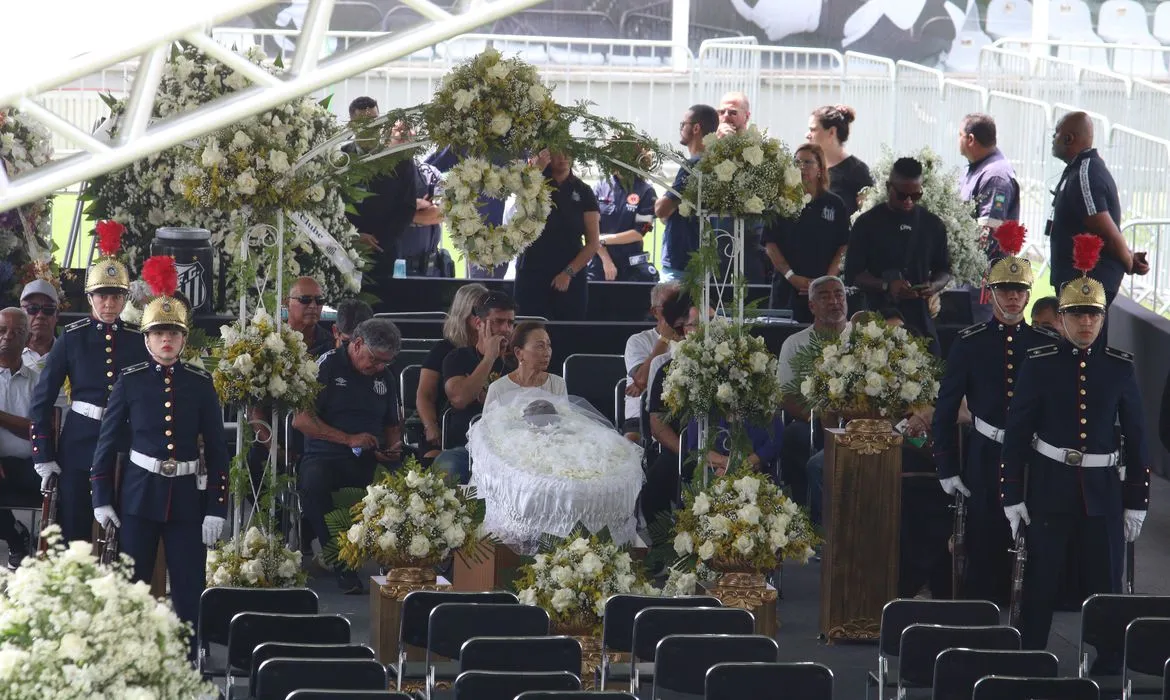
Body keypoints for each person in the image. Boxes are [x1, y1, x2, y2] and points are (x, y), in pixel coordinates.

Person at [1001, 236, 1150, 653]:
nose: (1086, 324)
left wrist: (1136, 499)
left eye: (1093, 316)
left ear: (1103, 319)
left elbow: (1137, 439)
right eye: (1077, 315)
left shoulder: (1120, 369)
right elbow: (1016, 435)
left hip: (1103, 492)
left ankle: (1107, 666)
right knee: (1041, 584)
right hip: (1050, 488)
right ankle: (1028, 657)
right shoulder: (1040, 365)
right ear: (1062, 319)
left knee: (1105, 584)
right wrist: (1012, 494)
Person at [90, 258, 228, 657]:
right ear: (147, 340)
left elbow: (218, 453)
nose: (166, 340)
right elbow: (107, 444)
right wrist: (102, 500)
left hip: (186, 499)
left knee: (188, 590)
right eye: (159, 334)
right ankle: (131, 659)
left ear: (183, 340)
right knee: (133, 586)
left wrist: (216, 507)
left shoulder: (201, 386)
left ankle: (189, 663)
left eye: (173, 333)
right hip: (138, 498)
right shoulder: (129, 382)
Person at [930, 223, 1058, 603]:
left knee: (1032, 538)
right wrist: (948, 467)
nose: (1014, 298)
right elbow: (946, 408)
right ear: (992, 292)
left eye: (1020, 290)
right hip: (987, 452)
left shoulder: (1045, 343)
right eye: (1006, 290)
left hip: (1035, 454)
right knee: (985, 537)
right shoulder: (969, 343)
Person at [29, 220, 149, 543]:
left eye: (115, 297)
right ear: (90, 297)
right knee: (74, 533)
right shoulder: (72, 338)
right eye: (102, 296)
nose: (108, 304)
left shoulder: (139, 343)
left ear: (125, 299)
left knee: (123, 535)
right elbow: (41, 401)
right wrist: (43, 455)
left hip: (124, 445)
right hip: (79, 443)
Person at [293, 318, 403, 594]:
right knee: (312, 483)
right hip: (326, 453)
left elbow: (392, 424)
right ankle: (343, 563)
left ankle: (402, 563)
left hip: (371, 456)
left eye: (385, 363)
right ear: (356, 344)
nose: (379, 367)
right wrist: (347, 439)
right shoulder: (326, 365)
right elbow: (302, 420)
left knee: (406, 483)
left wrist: (393, 446)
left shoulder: (385, 377)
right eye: (375, 360)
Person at [844, 156, 952, 355]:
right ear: (888, 187)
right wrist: (886, 285)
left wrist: (933, 286)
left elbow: (944, 269)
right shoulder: (867, 223)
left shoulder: (932, 224)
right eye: (902, 195)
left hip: (919, 315)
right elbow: (853, 273)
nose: (909, 201)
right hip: (876, 312)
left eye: (916, 195)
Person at [1047, 111, 1149, 313]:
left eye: (1056, 133)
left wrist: (1129, 263)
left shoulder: (1085, 173)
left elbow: (1105, 231)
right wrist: (1128, 255)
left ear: (1069, 138)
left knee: (1082, 343)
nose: (1052, 138)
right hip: (1080, 284)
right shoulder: (1079, 169)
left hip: (1087, 285)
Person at [776, 276, 850, 517]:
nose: (834, 301)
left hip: (861, 418)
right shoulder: (795, 343)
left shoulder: (864, 337)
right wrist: (818, 416)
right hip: (814, 421)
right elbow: (785, 395)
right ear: (811, 306)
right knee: (793, 436)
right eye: (825, 296)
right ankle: (811, 519)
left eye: (839, 295)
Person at [342, 97, 419, 306]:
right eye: (364, 123)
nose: (371, 128)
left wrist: (379, 241)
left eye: (375, 121)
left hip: (384, 252)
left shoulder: (399, 159)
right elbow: (332, 205)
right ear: (352, 125)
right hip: (343, 251)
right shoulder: (340, 159)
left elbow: (407, 207)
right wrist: (353, 236)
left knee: (382, 307)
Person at [434, 291, 516, 484]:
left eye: (510, 323)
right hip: (465, 448)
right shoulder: (458, 357)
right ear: (479, 323)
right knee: (447, 467)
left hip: (510, 448)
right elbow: (460, 399)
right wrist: (489, 358)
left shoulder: (518, 362)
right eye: (498, 321)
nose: (505, 329)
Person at [765, 143, 849, 322]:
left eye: (807, 162)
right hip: (787, 289)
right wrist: (792, 277)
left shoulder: (835, 204)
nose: (801, 167)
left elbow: (844, 246)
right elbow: (770, 244)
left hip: (824, 292)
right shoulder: (780, 202)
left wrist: (826, 280)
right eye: (797, 162)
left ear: (820, 169)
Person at [513, 151, 601, 321]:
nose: (563, 157)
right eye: (558, 153)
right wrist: (534, 173)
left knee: (568, 331)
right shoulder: (533, 183)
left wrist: (568, 272)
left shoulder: (583, 191)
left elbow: (593, 243)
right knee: (529, 327)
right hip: (533, 271)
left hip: (570, 273)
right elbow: (518, 214)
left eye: (568, 152)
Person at [640, 294, 699, 535]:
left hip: (727, 449)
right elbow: (657, 422)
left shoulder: (735, 364)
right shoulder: (666, 368)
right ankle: (663, 551)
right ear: (684, 330)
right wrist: (687, 453)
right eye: (697, 325)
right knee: (654, 486)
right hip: (680, 449)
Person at [958, 113, 1020, 324]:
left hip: (981, 282)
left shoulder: (995, 176)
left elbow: (987, 236)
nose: (958, 140)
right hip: (967, 278)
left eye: (960, 135)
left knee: (979, 337)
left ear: (971, 139)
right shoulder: (978, 168)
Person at [417, 284, 488, 461]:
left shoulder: (499, 351)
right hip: (446, 426)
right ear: (465, 313)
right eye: (479, 311)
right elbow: (425, 395)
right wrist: (430, 426)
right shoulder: (444, 350)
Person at [655, 104, 719, 280]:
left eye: (683, 124)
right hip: (704, 256)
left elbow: (661, 210)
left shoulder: (692, 167)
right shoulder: (715, 164)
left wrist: (663, 203)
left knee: (668, 307)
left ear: (696, 128)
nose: (681, 129)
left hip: (681, 258)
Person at [0, 308, 38, 568]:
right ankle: (15, 536)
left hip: (29, 466)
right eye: (2, 330)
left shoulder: (39, 381)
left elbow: (37, 429)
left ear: (27, 339)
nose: (7, 337)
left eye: (16, 332)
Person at [622, 282, 682, 442]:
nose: (676, 311)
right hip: (641, 417)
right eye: (669, 306)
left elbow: (643, 382)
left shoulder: (692, 336)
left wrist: (647, 384)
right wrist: (664, 339)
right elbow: (641, 379)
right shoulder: (638, 341)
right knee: (632, 440)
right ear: (655, 312)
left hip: (681, 414)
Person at [391, 120, 446, 277]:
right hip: (390, 269)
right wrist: (415, 205)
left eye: (409, 134)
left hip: (427, 271)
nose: (405, 139)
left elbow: (441, 213)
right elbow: (380, 211)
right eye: (399, 133)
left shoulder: (431, 173)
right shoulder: (379, 175)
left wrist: (400, 213)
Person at [588, 165, 658, 283]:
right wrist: (606, 260)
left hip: (631, 268)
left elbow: (640, 232)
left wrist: (602, 239)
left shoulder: (647, 191)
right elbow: (590, 228)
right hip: (600, 265)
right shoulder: (600, 186)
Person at [807, 105, 874, 216]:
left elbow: (868, 218)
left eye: (813, 129)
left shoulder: (857, 171)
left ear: (832, 132)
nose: (807, 135)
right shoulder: (810, 167)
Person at [483, 321, 566, 409]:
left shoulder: (558, 384)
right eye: (540, 346)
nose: (547, 353)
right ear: (519, 353)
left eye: (548, 345)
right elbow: (487, 422)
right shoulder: (498, 389)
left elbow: (566, 421)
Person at [286, 276, 333, 356]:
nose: (313, 306)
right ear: (287, 302)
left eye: (319, 300)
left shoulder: (332, 344)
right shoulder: (272, 339)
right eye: (305, 299)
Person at [19, 280, 58, 372]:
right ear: (20, 313)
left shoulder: (69, 354)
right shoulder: (8, 354)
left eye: (48, 309)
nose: (40, 315)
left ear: (57, 315)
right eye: (32, 308)